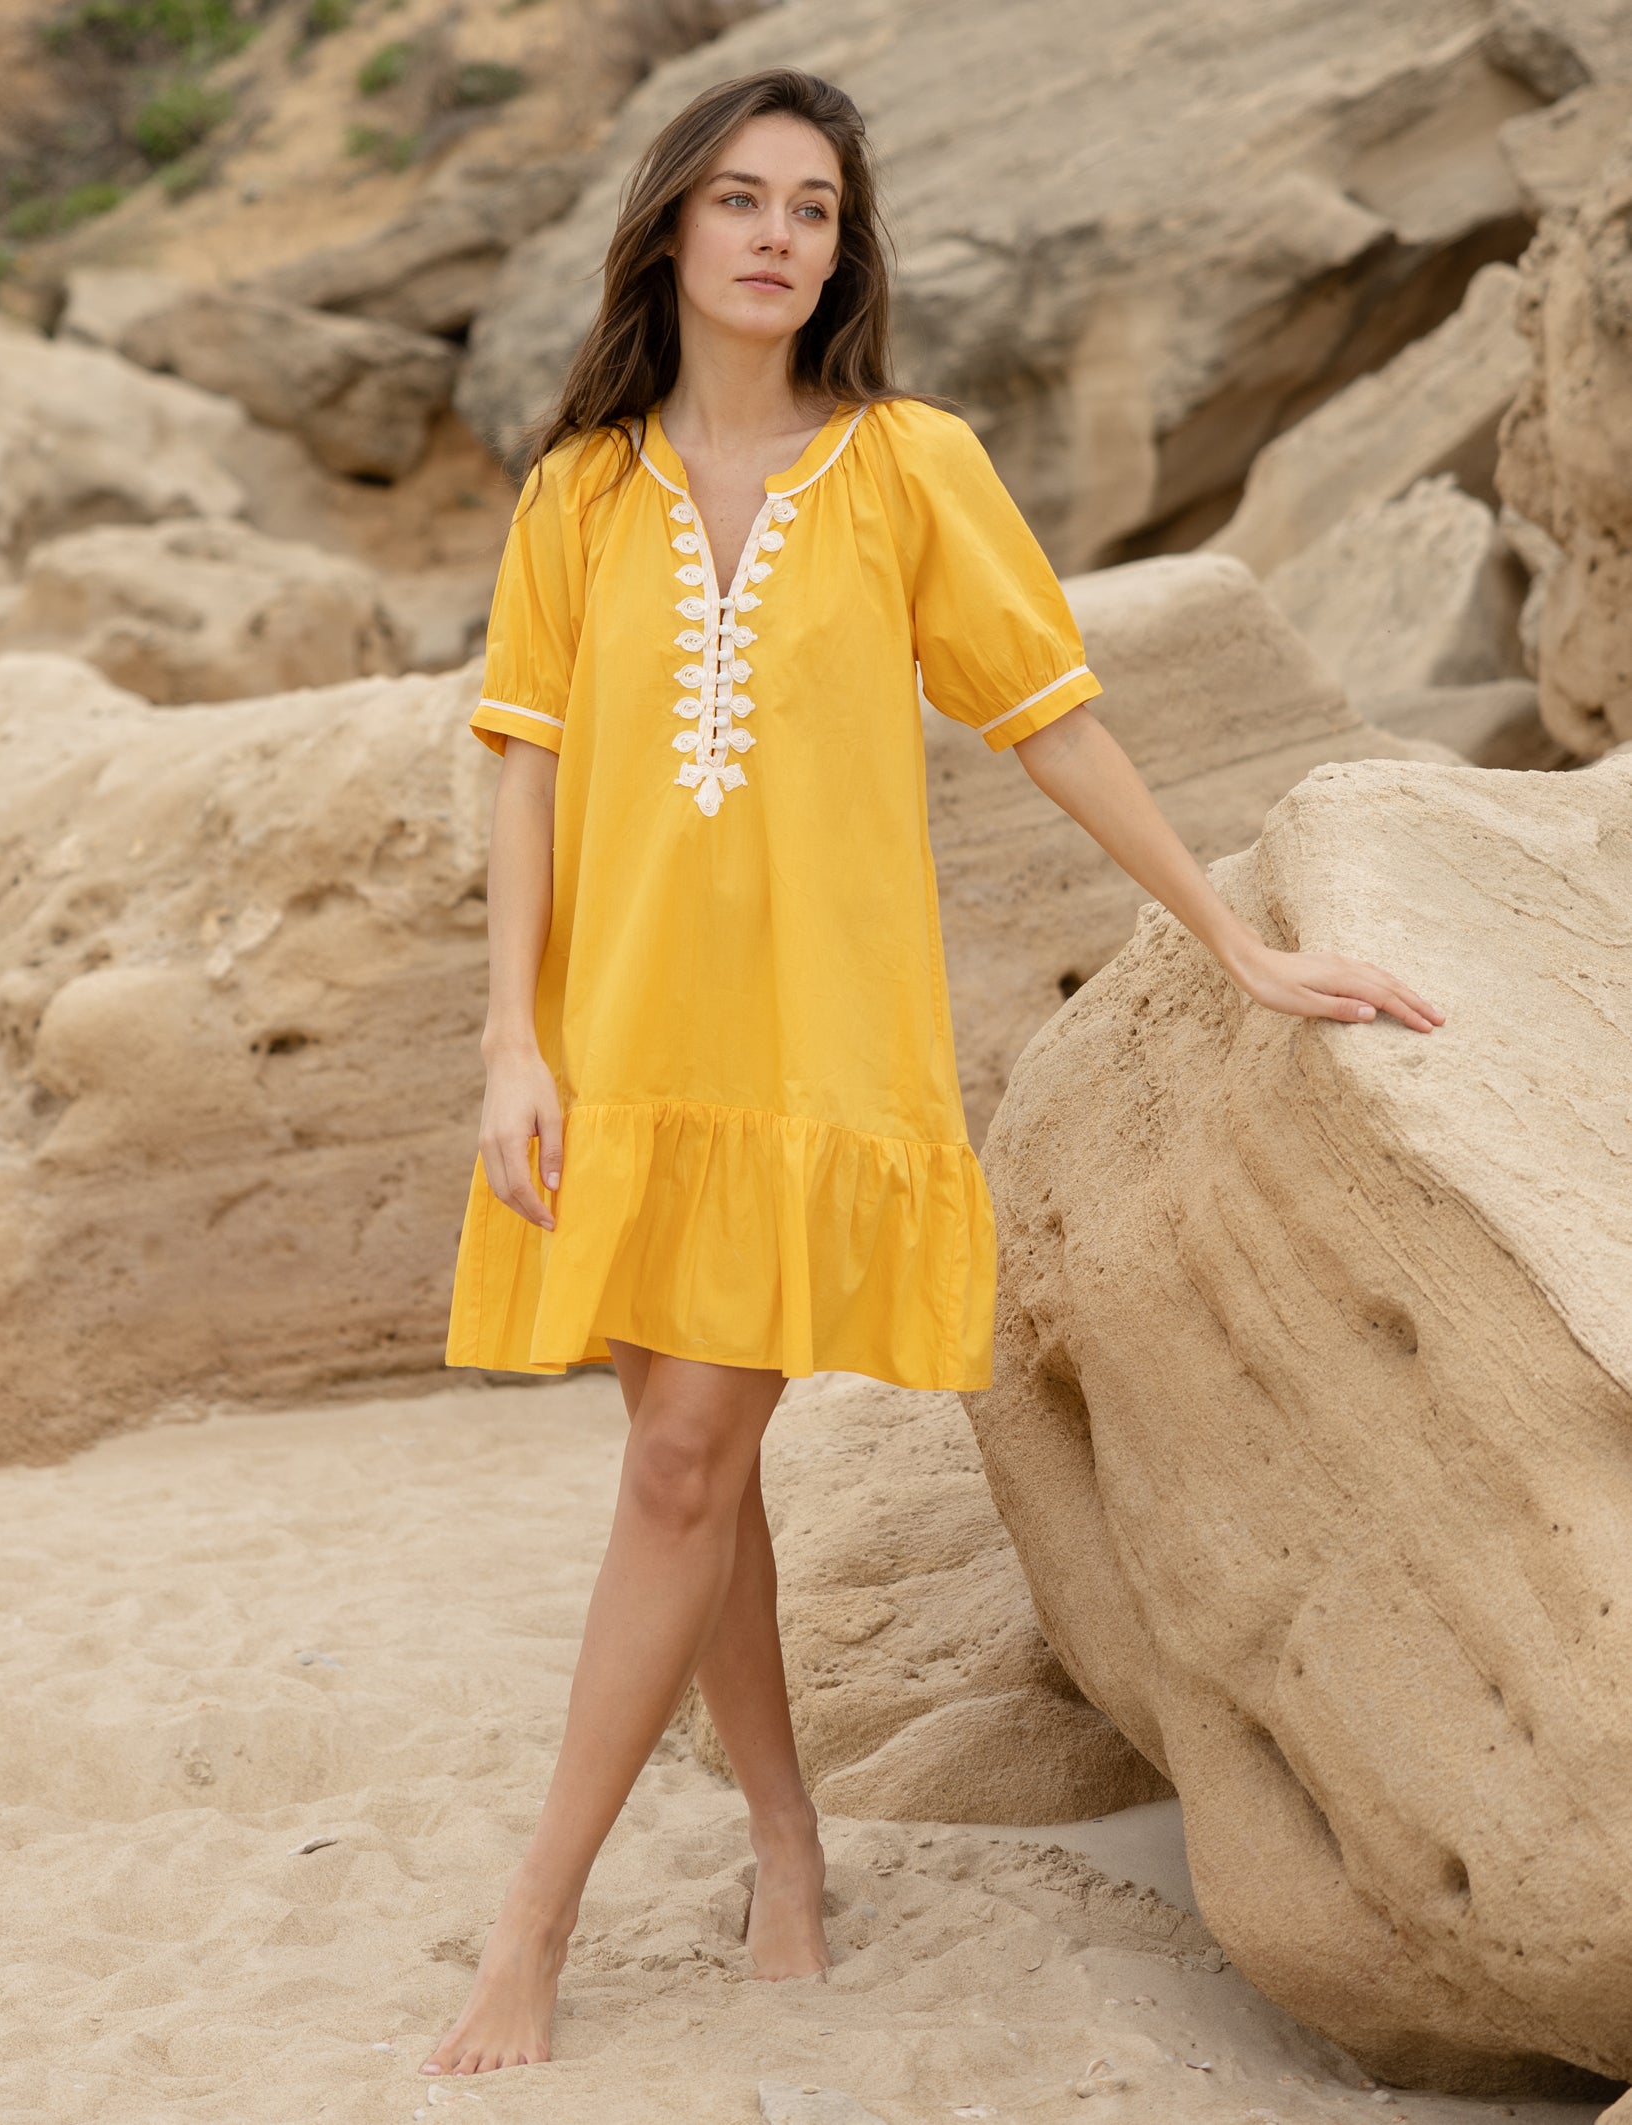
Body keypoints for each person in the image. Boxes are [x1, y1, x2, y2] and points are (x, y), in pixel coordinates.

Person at [424, 67, 1441, 2079]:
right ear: (671, 231)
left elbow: (1044, 718)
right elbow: (522, 765)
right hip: (616, 1046)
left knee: (684, 1456)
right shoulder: (578, 494)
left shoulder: (903, 469)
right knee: (689, 1468)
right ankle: (785, 1843)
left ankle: (526, 1926)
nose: (776, 233)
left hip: (811, 1048)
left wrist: (1231, 936)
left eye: (811, 205)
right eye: (738, 198)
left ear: (842, 250)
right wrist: (509, 1042)